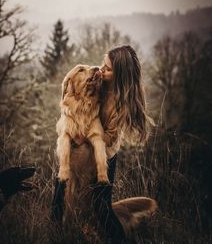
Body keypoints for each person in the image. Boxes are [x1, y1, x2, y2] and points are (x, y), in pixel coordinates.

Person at [52, 45, 154, 243]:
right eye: (103, 64)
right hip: (76, 151)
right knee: (58, 199)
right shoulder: (99, 81)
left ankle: (120, 240)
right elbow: (73, 108)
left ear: (119, 75)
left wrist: (88, 134)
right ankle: (54, 235)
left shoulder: (121, 102)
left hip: (104, 156)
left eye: (107, 69)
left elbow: (110, 139)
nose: (101, 70)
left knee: (101, 208)